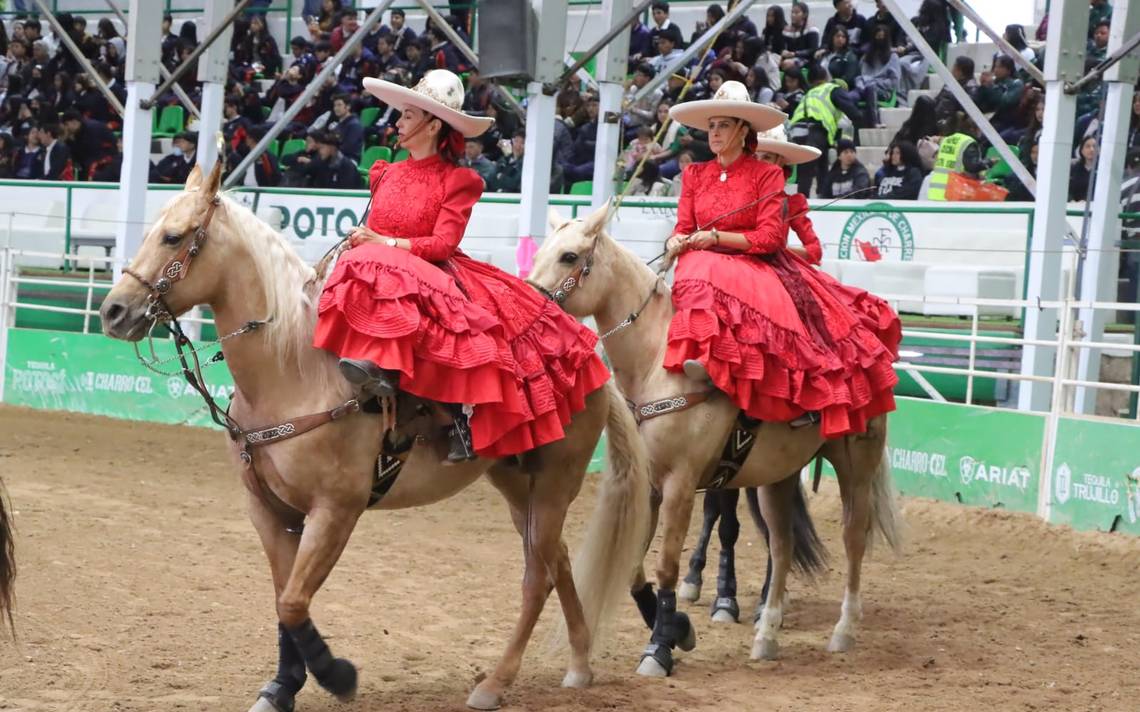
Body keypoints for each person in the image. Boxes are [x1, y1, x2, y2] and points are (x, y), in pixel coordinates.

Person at [315, 70, 610, 462]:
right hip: (381, 267)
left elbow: (442, 244)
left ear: (432, 125)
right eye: (400, 114)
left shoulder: (459, 180)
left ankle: (450, 412)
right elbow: (376, 231)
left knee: (440, 314)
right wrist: (366, 239)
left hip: (430, 268)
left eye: (406, 115)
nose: (397, 123)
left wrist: (384, 243)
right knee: (352, 265)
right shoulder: (385, 172)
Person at [663, 81, 897, 437]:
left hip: (750, 259)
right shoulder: (695, 174)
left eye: (723, 125)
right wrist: (676, 240)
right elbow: (682, 226)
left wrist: (714, 237)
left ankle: (743, 372)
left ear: (743, 131)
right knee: (689, 267)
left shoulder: (767, 176)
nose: (714, 133)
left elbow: (772, 238)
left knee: (700, 267)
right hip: (707, 259)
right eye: (711, 126)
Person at [752, 126, 901, 352]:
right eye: (756, 157)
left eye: (768, 157)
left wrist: (779, 250)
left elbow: (814, 250)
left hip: (776, 268)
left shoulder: (791, 203)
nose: (761, 163)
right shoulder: (737, 195)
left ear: (781, 162)